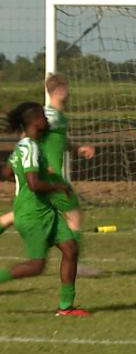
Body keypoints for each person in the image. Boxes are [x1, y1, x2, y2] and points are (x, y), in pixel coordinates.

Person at [0, 74, 101, 276]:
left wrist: (78, 148)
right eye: (66, 88)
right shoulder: (49, 116)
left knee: (17, 216)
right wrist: (37, 166)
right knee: (74, 216)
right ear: (61, 90)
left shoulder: (59, 118)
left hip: (49, 178)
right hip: (50, 178)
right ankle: (75, 264)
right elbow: (26, 139)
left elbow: (60, 141)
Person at [0, 102, 89, 316]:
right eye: (43, 116)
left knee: (70, 248)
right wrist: (57, 185)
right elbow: (33, 184)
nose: (47, 120)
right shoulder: (29, 146)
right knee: (36, 266)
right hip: (32, 215)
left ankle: (66, 308)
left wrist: (38, 173)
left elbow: (7, 172)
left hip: (46, 211)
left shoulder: (26, 145)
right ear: (34, 121)